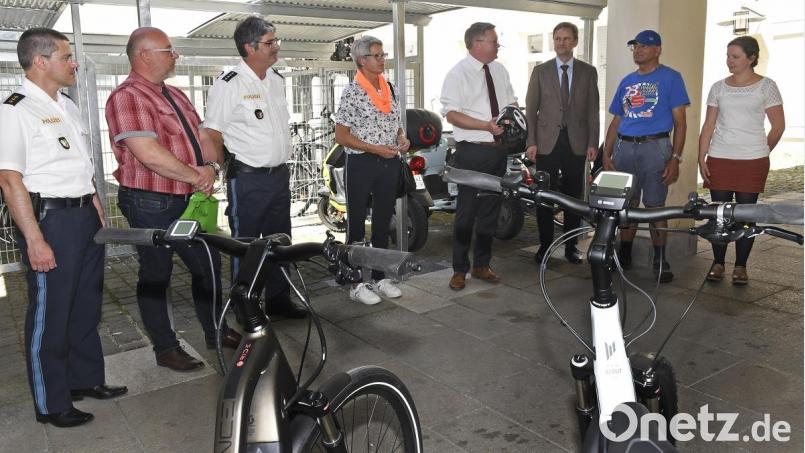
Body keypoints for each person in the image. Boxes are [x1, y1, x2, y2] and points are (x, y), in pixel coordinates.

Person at [0, 28, 126, 428]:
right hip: (50, 221)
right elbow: (9, 179)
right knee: (50, 314)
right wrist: (34, 239)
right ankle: (52, 402)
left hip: (83, 216)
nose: (74, 63)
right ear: (40, 61)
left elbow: (79, 164)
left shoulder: (65, 104)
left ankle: (86, 380)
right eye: (67, 56)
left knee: (85, 304)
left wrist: (94, 204)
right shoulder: (15, 109)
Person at [105, 27, 241, 372]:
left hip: (189, 199)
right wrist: (198, 175)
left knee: (207, 265)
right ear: (144, 55)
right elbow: (148, 154)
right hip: (150, 202)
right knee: (156, 273)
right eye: (168, 50)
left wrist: (210, 166)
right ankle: (166, 347)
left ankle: (215, 330)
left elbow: (204, 134)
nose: (175, 55)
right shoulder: (127, 97)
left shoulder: (176, 95)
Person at [204, 17, 306, 317]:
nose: (276, 47)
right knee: (247, 246)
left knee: (280, 242)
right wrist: (215, 169)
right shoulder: (230, 84)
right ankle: (244, 305)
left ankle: (279, 300)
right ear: (249, 47)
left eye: (276, 40)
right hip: (248, 179)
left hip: (278, 176)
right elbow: (211, 133)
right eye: (269, 42)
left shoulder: (276, 79)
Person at [602, 30, 689, 283]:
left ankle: (660, 259)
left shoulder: (671, 78)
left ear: (657, 49)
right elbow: (616, 120)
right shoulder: (627, 81)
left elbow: (680, 123)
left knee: (654, 206)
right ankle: (625, 255)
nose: (638, 50)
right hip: (625, 149)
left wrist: (675, 158)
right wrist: (607, 153)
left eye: (644, 46)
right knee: (626, 205)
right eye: (635, 46)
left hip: (655, 147)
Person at [698, 36, 784, 285]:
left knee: (746, 214)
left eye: (735, 57)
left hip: (752, 161)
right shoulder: (718, 87)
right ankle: (717, 263)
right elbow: (709, 125)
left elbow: (778, 126)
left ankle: (741, 266)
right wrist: (702, 156)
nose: (729, 61)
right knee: (718, 214)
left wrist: (761, 151)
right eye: (727, 56)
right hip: (720, 158)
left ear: (752, 58)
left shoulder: (766, 86)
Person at [440, 22, 517, 291]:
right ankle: (459, 270)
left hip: (497, 151)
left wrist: (513, 119)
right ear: (477, 43)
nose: (498, 46)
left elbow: (511, 103)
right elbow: (451, 114)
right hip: (471, 152)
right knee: (466, 213)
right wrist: (485, 125)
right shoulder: (457, 74)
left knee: (490, 212)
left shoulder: (500, 70)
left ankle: (481, 265)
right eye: (494, 41)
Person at [334, 35, 410, 305]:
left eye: (382, 54)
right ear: (361, 60)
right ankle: (354, 282)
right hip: (362, 163)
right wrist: (374, 148)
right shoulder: (352, 92)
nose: (382, 59)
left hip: (389, 162)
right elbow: (341, 136)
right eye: (377, 56)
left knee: (382, 221)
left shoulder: (390, 87)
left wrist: (401, 138)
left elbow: (396, 123)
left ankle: (380, 278)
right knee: (356, 224)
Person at [525, 22, 599, 264]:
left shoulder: (588, 72)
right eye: (557, 39)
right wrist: (531, 142)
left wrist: (592, 142)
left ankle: (571, 247)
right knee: (544, 196)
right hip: (547, 142)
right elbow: (531, 109)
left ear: (575, 42)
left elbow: (592, 111)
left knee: (573, 198)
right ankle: (545, 246)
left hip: (576, 143)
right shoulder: (541, 71)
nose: (561, 43)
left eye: (566, 39)